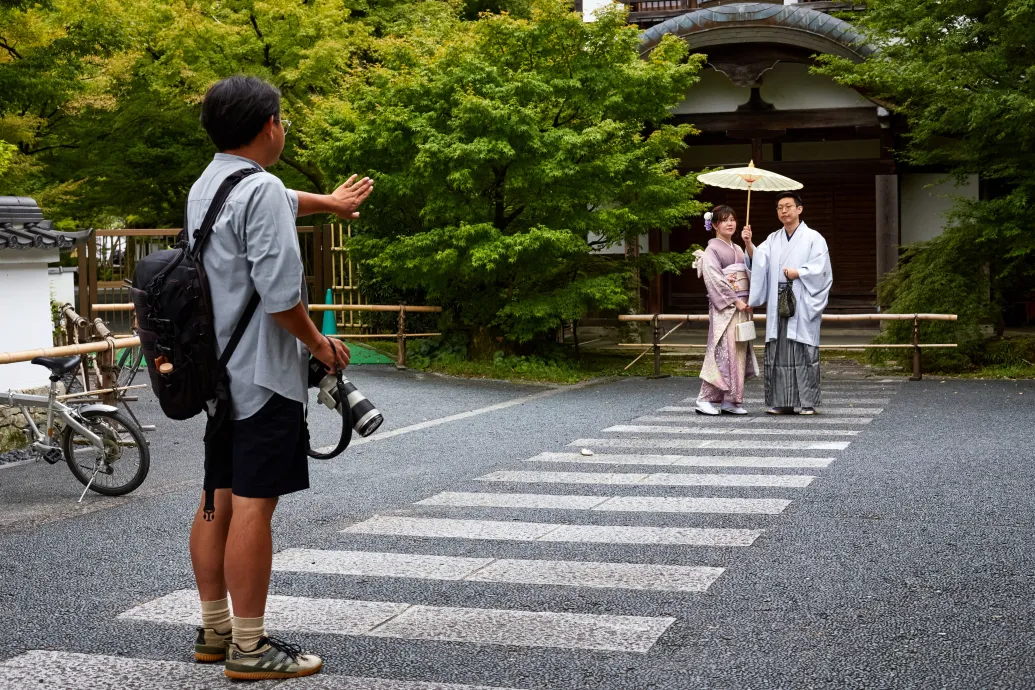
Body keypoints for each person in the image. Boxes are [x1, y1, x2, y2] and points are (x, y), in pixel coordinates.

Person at [188, 75, 372, 681]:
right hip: (264, 378)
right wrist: (321, 346)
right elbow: (279, 297)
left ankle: (215, 630)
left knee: (216, 500)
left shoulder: (209, 184)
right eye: (283, 119)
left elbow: (276, 199)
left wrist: (331, 204)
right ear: (269, 125)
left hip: (218, 377)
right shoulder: (258, 188)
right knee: (252, 510)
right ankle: (250, 648)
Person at [743, 192, 832, 415]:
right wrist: (748, 243)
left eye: (788, 206)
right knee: (779, 351)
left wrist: (799, 272)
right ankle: (781, 401)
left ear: (799, 209)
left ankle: (807, 402)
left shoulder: (814, 238)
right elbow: (759, 261)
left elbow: (822, 270)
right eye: (780, 208)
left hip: (802, 300)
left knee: (803, 351)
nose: (784, 211)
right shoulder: (773, 239)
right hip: (778, 303)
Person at [694, 205, 758, 415]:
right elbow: (714, 278)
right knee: (722, 352)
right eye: (725, 220)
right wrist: (735, 301)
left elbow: (753, 268)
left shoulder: (738, 248)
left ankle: (732, 400)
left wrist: (748, 243)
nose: (730, 223)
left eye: (733, 219)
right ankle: (705, 399)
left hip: (742, 306)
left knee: (738, 352)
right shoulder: (712, 249)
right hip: (726, 308)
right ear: (714, 225)